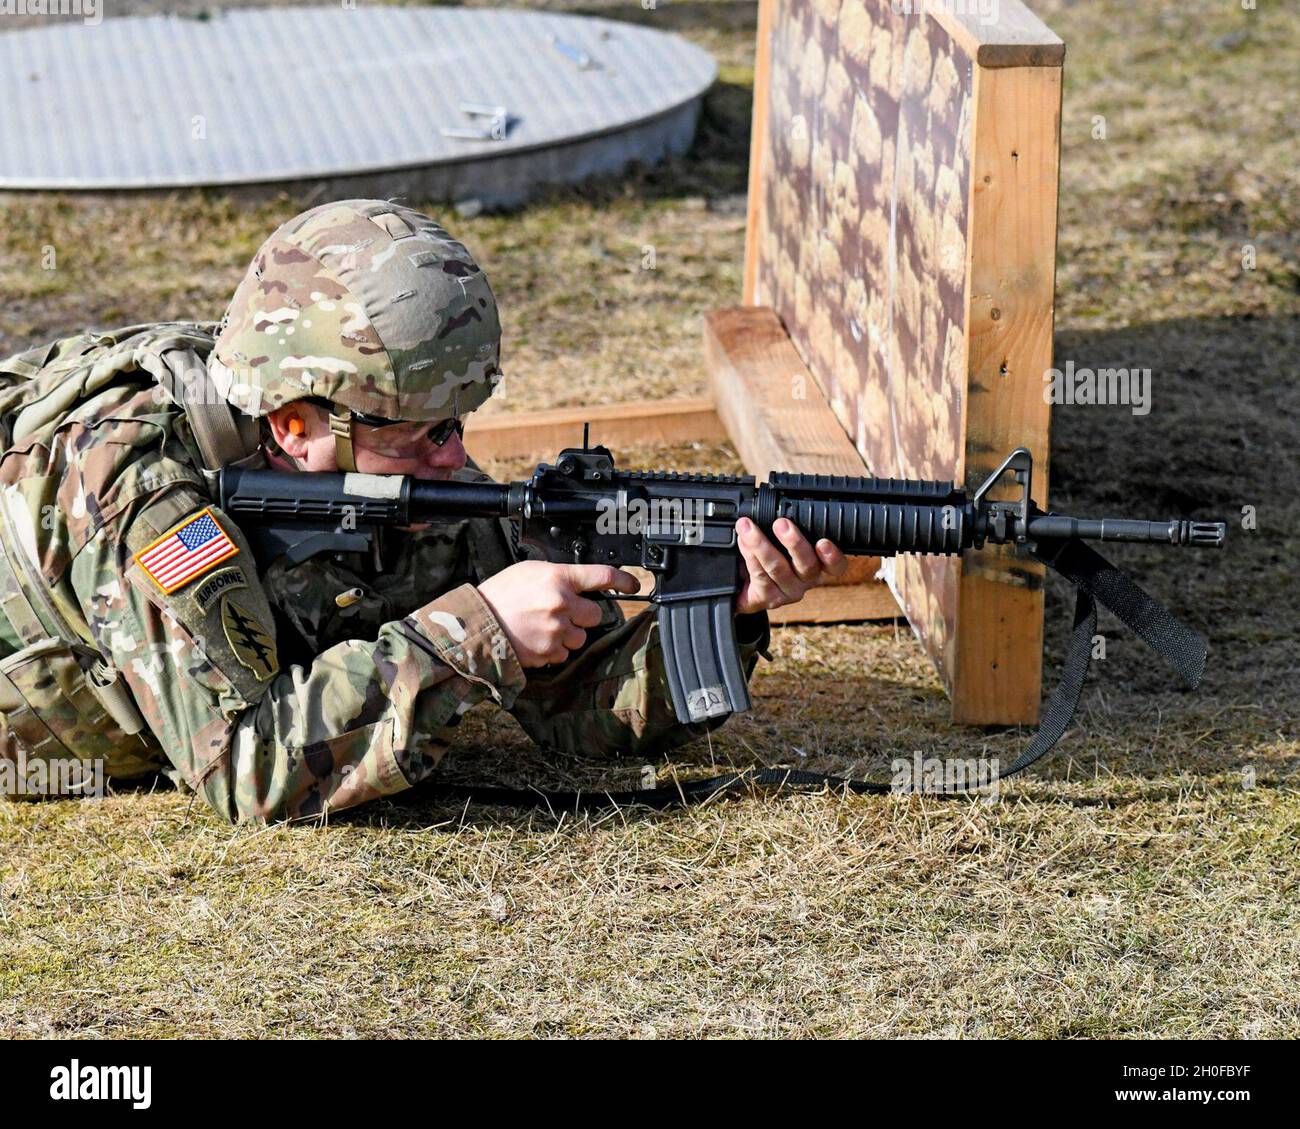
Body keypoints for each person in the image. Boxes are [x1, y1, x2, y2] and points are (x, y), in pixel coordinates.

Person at [0, 200, 847, 823]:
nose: (455, 457)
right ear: (298, 424)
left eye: (456, 424)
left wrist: (724, 609)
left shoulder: (402, 475)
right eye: (422, 433)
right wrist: (475, 631)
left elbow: (570, 711)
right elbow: (245, 767)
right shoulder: (139, 492)